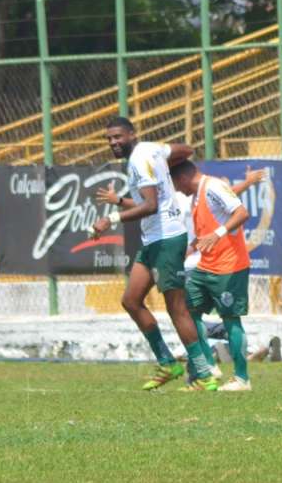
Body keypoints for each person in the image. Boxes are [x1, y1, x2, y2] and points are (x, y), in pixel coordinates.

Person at [91, 117, 206, 391]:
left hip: (167, 238)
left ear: (132, 134)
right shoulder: (152, 150)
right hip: (154, 239)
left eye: (118, 136)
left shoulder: (139, 160)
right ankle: (167, 362)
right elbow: (187, 149)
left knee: (176, 308)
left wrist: (112, 218)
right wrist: (121, 200)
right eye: (109, 139)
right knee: (131, 300)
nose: (113, 142)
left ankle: (204, 373)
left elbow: (151, 205)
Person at [170, 160, 254, 391]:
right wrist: (185, 252)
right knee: (187, 311)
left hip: (229, 266)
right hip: (206, 266)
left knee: (230, 319)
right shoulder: (197, 195)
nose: (178, 191)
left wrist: (217, 234)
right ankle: (208, 366)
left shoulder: (213, 186)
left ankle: (241, 378)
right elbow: (204, 235)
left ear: (184, 178)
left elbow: (241, 213)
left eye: (177, 185)